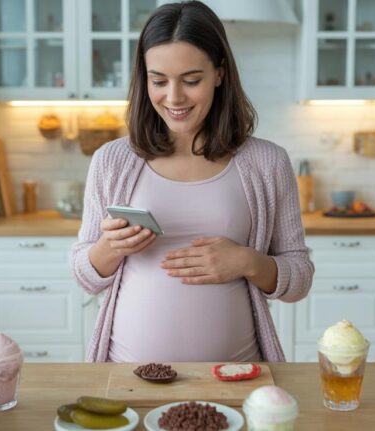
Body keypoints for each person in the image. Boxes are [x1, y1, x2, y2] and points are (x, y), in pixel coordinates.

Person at [70, 0, 314, 363]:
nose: (174, 97)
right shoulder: (112, 160)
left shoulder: (267, 162)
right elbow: (85, 276)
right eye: (159, 81)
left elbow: (300, 278)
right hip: (127, 379)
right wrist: (111, 246)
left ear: (220, 73)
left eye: (191, 80)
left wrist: (248, 262)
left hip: (238, 378)